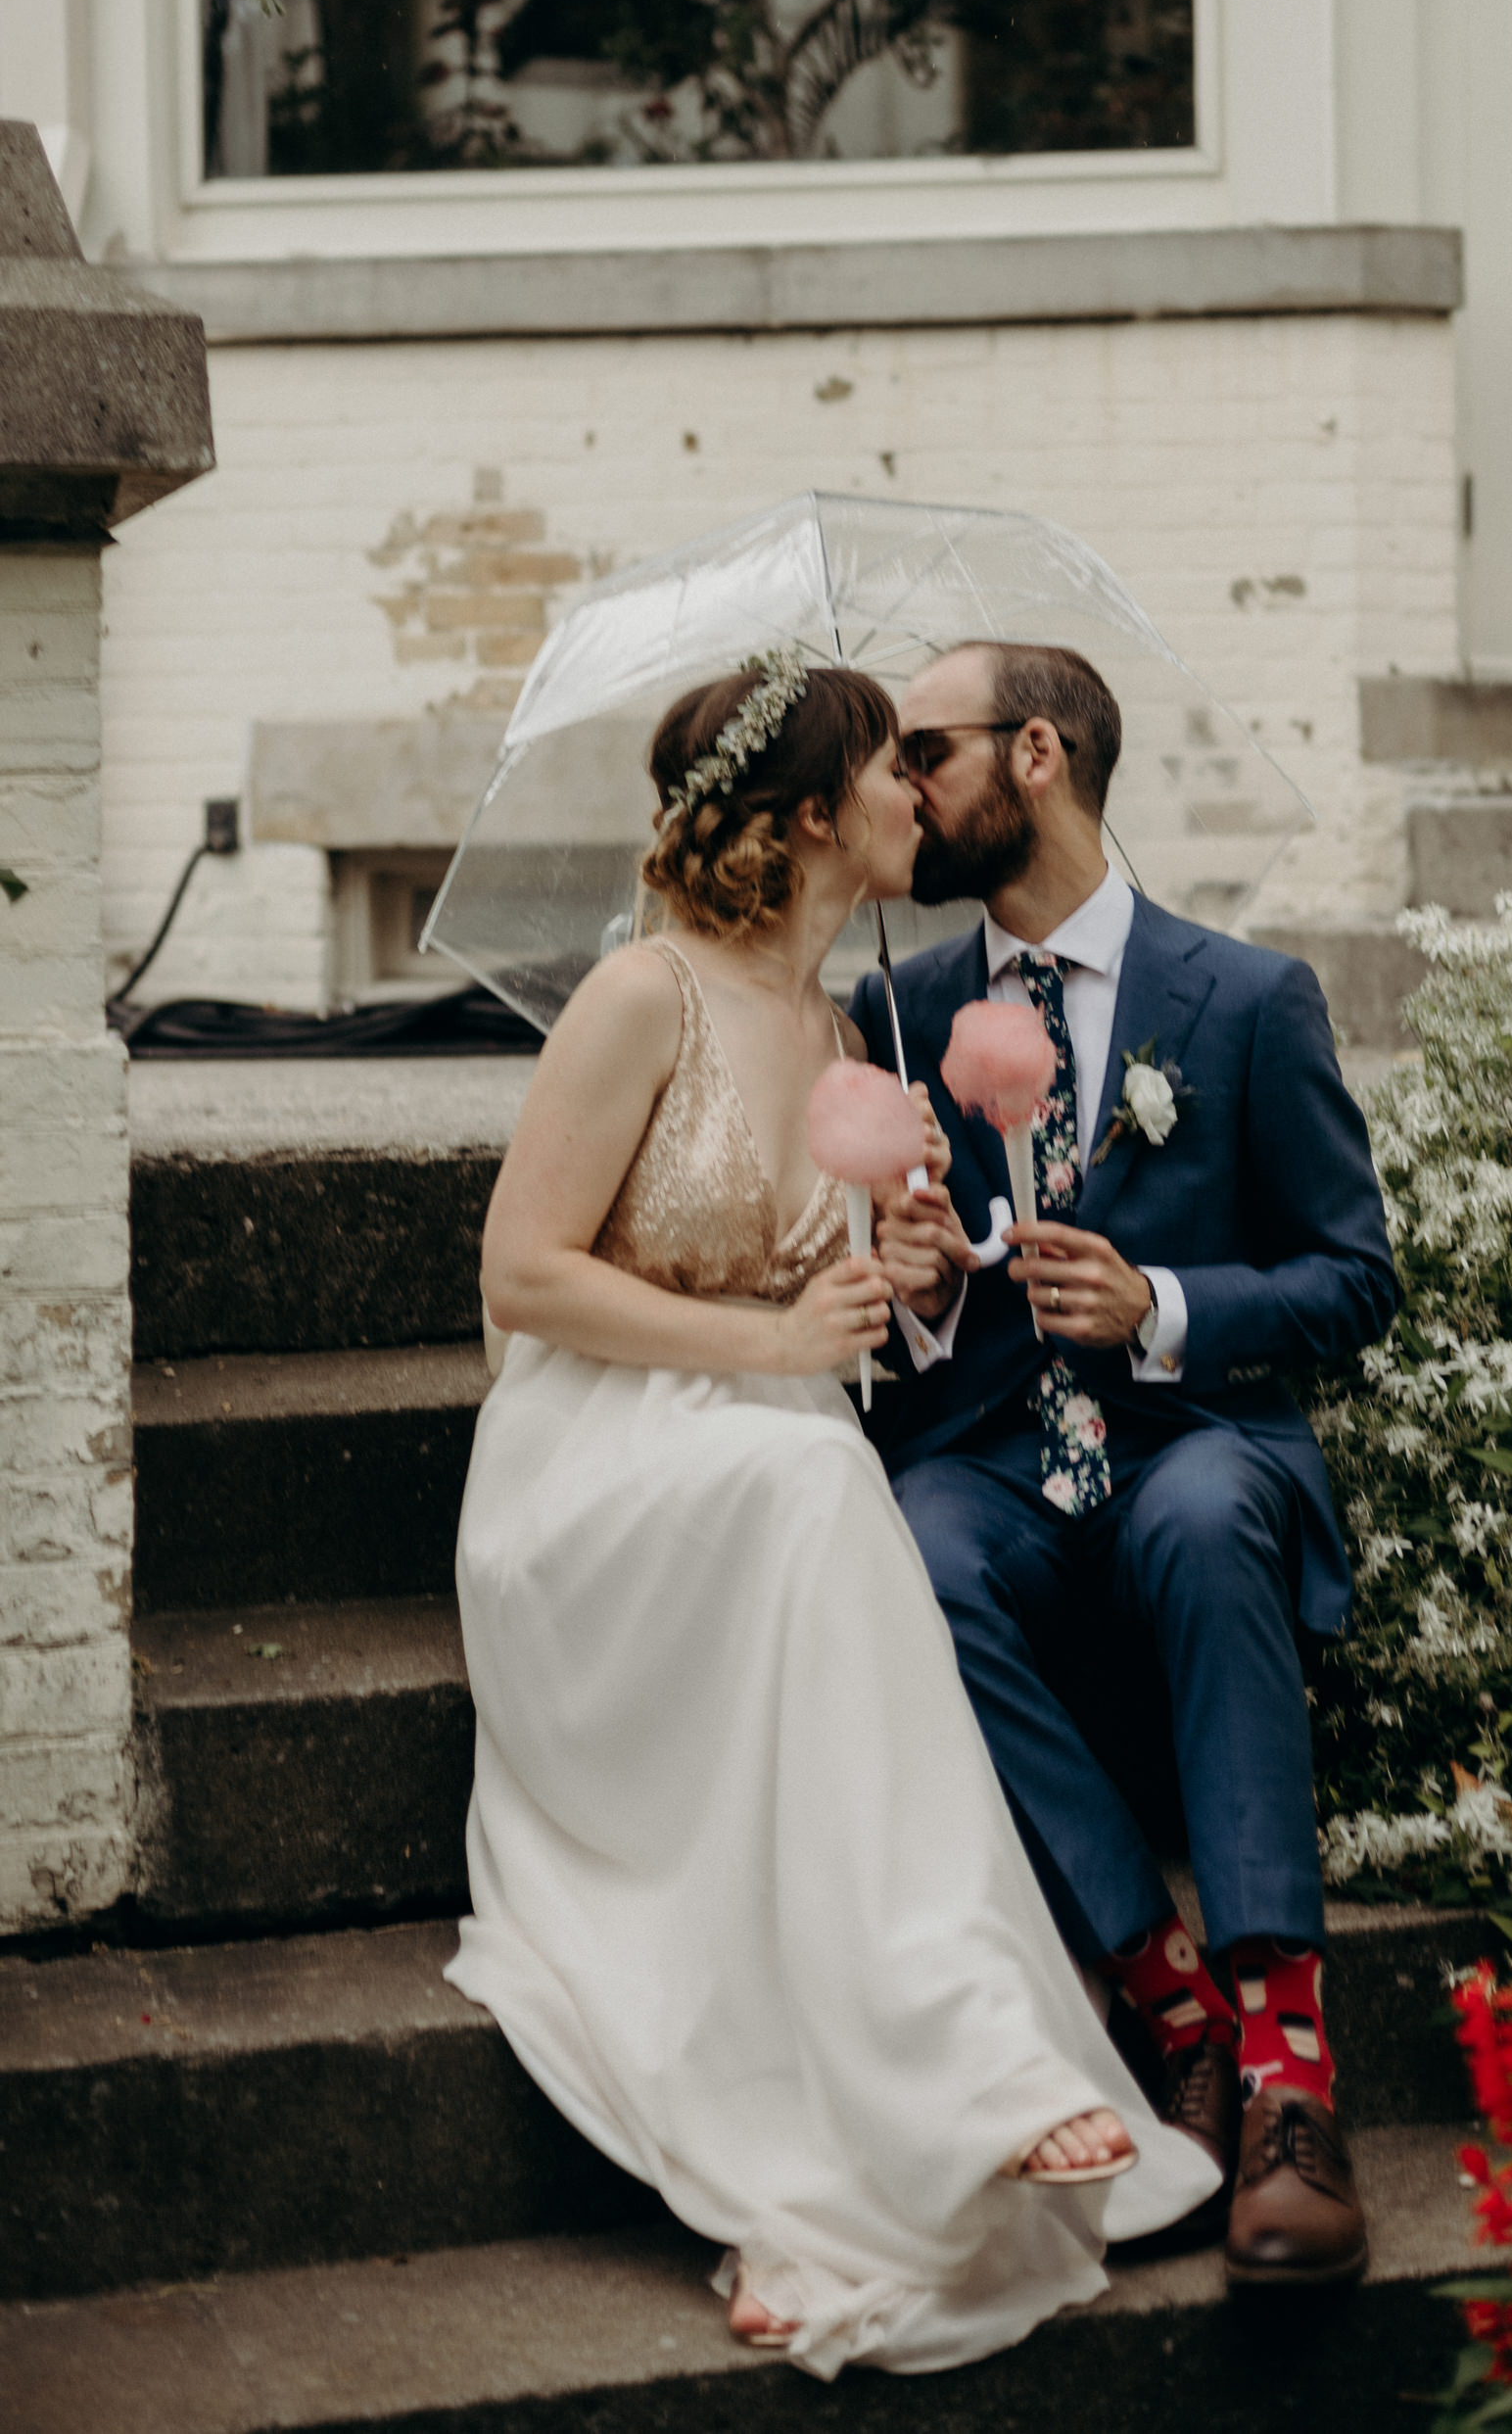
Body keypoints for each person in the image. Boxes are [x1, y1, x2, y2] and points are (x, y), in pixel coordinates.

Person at [446, 653, 1216, 2380]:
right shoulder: (642, 996)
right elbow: (518, 1275)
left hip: (774, 1467)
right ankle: (963, 2040)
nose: (916, 801)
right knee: (817, 1485)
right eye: (889, 771)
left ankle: (824, 2175)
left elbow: (846, 1323)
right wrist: (774, 1342)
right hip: (601, 1473)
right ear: (809, 817)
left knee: (817, 1484)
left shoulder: (852, 1032)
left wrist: (902, 1272)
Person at [849, 642, 1397, 2287]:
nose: (901, 786)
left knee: (1217, 1510)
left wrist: (1160, 1301)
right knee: (908, 1552)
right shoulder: (894, 1014)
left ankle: (1290, 2067)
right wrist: (927, 1292)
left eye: (925, 748)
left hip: (1188, 1441)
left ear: (1034, 754)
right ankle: (1170, 2007)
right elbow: (883, 1331)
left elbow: (1353, 1275)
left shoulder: (1245, 998)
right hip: (992, 1465)